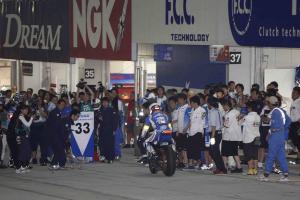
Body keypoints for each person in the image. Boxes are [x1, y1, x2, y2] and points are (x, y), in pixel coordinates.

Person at [260, 96, 291, 182]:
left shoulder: (274, 112)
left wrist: (265, 119)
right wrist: (283, 129)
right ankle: (285, 175)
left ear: (270, 104)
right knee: (281, 156)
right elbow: (289, 120)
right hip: (281, 135)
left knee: (271, 155)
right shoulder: (281, 111)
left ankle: (266, 175)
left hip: (275, 136)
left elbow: (272, 123)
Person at [221, 99, 243, 173]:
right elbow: (240, 122)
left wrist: (223, 120)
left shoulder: (229, 114)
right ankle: (239, 167)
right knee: (234, 152)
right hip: (236, 136)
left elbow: (226, 125)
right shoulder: (236, 112)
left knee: (224, 153)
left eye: (223, 106)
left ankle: (224, 168)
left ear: (227, 105)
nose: (223, 107)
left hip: (228, 136)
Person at [185, 96, 206, 170]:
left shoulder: (202, 110)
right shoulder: (192, 110)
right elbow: (190, 121)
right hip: (191, 132)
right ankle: (190, 163)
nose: (190, 104)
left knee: (197, 148)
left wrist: (202, 132)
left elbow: (203, 121)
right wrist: (186, 129)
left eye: (191, 102)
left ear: (194, 102)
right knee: (190, 148)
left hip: (198, 132)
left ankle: (198, 163)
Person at [207, 97, 227, 174]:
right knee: (213, 151)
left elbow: (213, 125)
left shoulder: (212, 112)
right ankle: (220, 167)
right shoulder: (217, 111)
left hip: (214, 134)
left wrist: (212, 137)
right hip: (218, 133)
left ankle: (222, 168)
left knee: (215, 152)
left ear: (210, 103)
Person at [96, 97, 118, 163]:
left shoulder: (112, 110)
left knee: (110, 144)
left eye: (106, 102)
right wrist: (99, 118)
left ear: (108, 103)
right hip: (102, 129)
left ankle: (110, 158)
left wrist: (114, 129)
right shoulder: (100, 110)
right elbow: (97, 120)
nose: (105, 103)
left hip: (110, 129)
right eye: (103, 102)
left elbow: (115, 120)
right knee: (102, 144)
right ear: (102, 103)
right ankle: (103, 157)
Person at [241, 101, 261, 175]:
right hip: (257, 136)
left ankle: (250, 170)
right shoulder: (258, 116)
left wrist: (241, 116)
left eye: (247, 107)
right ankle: (255, 170)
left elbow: (239, 123)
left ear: (250, 108)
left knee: (248, 154)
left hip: (248, 137)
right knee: (255, 154)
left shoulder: (247, 117)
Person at [47, 99, 66, 169]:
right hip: (54, 134)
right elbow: (54, 125)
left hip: (59, 134)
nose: (63, 106)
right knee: (59, 149)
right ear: (58, 104)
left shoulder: (60, 112)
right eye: (62, 105)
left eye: (64, 105)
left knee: (59, 149)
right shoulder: (54, 112)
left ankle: (58, 164)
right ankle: (56, 164)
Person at [15, 105, 34, 174]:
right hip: (21, 136)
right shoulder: (21, 116)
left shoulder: (25, 117)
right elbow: (27, 125)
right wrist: (32, 118)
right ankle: (19, 167)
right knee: (23, 152)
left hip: (25, 136)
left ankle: (23, 166)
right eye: (24, 109)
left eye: (27, 109)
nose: (26, 111)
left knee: (27, 151)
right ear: (21, 110)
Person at [176, 93, 191, 168]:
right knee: (179, 148)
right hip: (180, 132)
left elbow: (190, 119)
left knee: (185, 148)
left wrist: (186, 128)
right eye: (178, 99)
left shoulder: (188, 108)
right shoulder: (179, 108)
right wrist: (178, 131)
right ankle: (180, 162)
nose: (179, 101)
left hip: (186, 131)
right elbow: (179, 121)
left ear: (184, 100)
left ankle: (186, 163)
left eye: (181, 99)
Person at [289, 87, 300, 163]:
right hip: (293, 124)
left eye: (294, 93)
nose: (292, 94)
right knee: (293, 140)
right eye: (292, 93)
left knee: (298, 142)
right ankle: (297, 154)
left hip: (298, 124)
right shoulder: (294, 102)